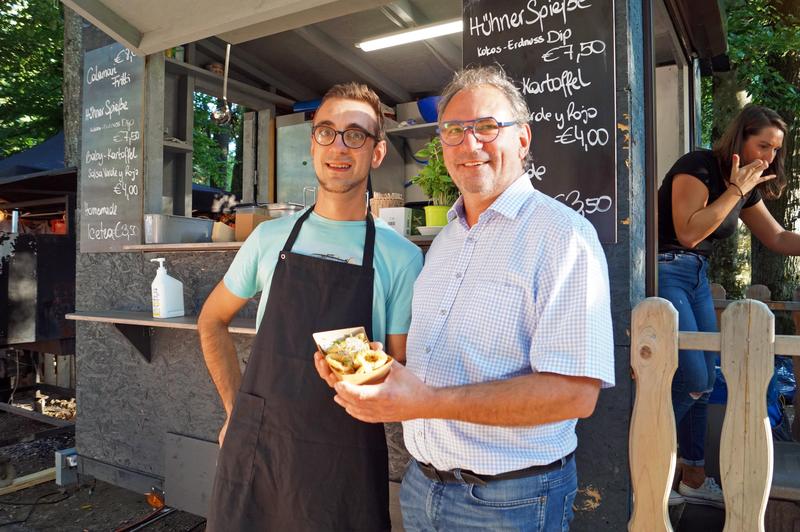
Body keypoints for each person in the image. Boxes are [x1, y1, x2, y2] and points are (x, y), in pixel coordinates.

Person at [315, 65, 615, 531]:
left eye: (487, 127)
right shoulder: (447, 239)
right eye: (454, 130)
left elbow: (575, 395)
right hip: (422, 487)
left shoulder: (563, 236)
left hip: (509, 502)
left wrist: (426, 401)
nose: (469, 144)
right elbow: (436, 367)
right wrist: (370, 370)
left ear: (522, 139)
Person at [198, 82, 423, 531]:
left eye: (355, 134)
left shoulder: (401, 257)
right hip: (259, 447)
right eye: (327, 131)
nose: (339, 146)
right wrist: (234, 412)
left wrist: (365, 369)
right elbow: (212, 320)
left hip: (345, 458)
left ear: (377, 153)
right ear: (313, 143)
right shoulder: (268, 238)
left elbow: (399, 368)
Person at [657, 104, 798, 508]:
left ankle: (693, 477)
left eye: (776, 150)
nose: (769, 157)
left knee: (704, 382)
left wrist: (742, 189)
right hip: (667, 268)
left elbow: (777, 238)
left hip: (697, 276)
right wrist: (734, 191)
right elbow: (688, 232)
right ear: (741, 138)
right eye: (763, 145)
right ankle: (643, 460)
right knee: (695, 378)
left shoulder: (747, 185)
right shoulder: (698, 166)